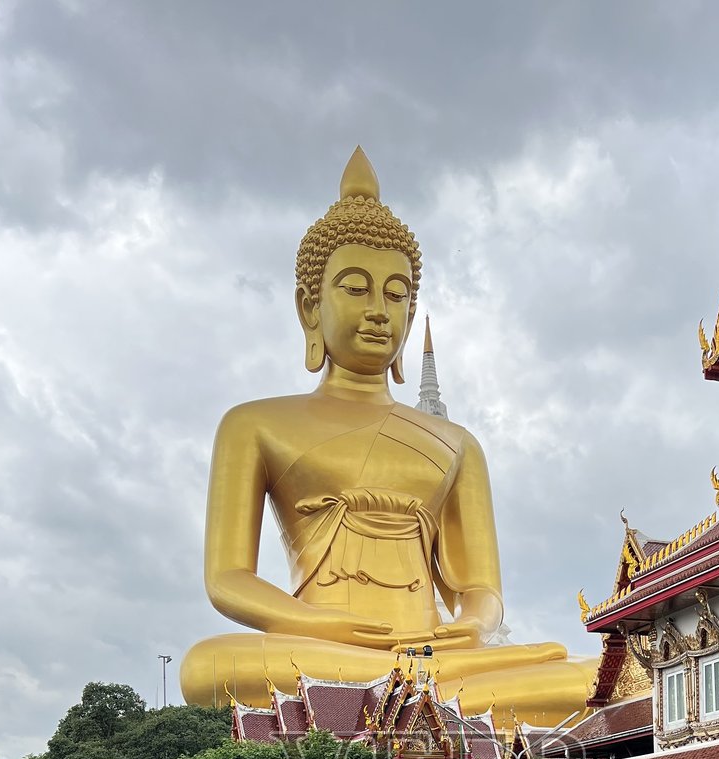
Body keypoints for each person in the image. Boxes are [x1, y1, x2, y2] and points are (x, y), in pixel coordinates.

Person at [180, 148, 600, 729]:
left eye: (397, 293)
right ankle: (421, 701)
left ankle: (412, 695)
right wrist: (314, 625)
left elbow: (480, 591)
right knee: (206, 667)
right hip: (326, 649)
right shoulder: (254, 424)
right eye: (355, 288)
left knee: (588, 672)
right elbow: (227, 579)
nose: (379, 310)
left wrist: (468, 628)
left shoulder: (456, 443)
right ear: (310, 308)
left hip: (432, 652)